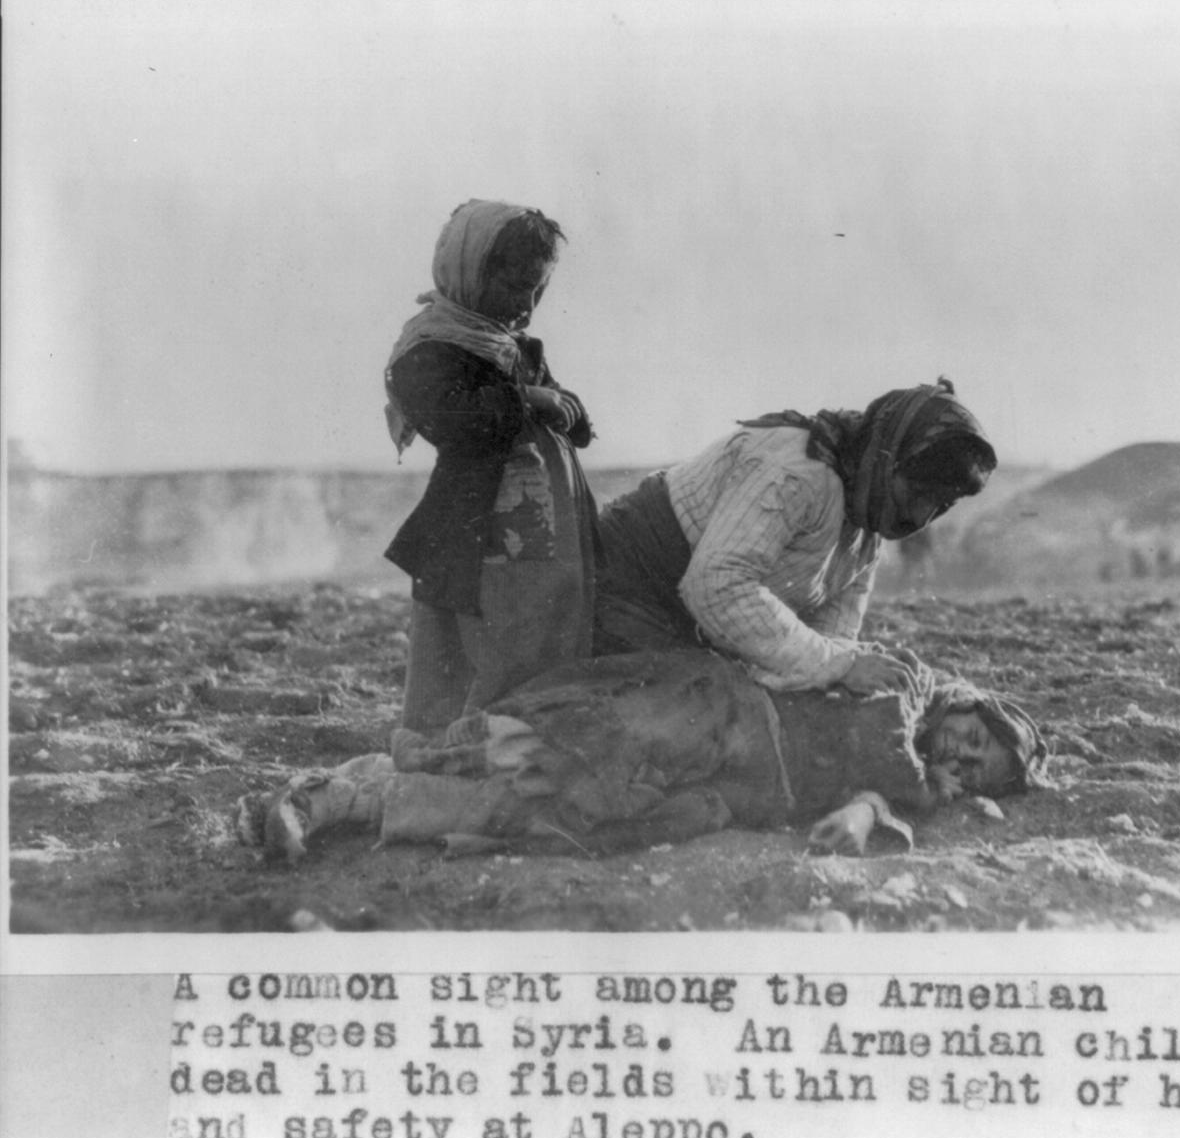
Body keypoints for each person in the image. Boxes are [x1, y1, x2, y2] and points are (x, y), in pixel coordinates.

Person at [237, 648, 1049, 862]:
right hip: (718, 715)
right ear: (965, 704)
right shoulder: (907, 686)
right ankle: (328, 791)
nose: (962, 756)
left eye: (980, 768)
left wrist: (888, 806)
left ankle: (342, 804)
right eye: (973, 738)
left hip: (732, 788)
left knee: (565, 813)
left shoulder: (917, 783)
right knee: (560, 750)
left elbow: (874, 804)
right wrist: (915, 782)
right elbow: (883, 735)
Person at [593, 377, 996, 695]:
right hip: (630, 583)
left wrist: (854, 670)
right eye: (922, 493)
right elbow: (717, 586)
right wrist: (841, 668)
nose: (923, 515)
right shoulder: (798, 472)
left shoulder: (865, 526)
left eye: (943, 504)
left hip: (694, 618)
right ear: (888, 457)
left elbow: (830, 636)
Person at [383, 200, 600, 732]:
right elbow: (453, 421)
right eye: (515, 287)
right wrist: (528, 400)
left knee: (542, 638)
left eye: (538, 290)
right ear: (469, 273)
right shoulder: (430, 348)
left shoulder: (515, 347)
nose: (527, 304)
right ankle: (454, 759)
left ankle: (519, 742)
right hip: (476, 535)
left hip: (540, 538)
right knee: (474, 657)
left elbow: (562, 414)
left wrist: (568, 412)